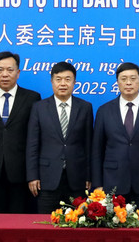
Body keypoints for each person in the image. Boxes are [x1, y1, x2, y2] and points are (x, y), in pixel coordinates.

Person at [91, 62, 139, 214]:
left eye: (133, 78)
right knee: (114, 232)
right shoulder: (104, 111)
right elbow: (96, 150)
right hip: (112, 182)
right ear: (117, 82)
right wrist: (98, 184)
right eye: (123, 78)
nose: (128, 83)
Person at [0, 51, 41, 213]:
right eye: (0, 70)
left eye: (10, 70)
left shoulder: (32, 98)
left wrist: (34, 173)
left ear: (18, 73)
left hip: (21, 173)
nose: (5, 74)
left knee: (19, 223)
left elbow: (36, 137)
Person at [26, 62, 93, 214]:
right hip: (46, 178)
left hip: (77, 178)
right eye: (58, 79)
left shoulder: (85, 107)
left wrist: (89, 175)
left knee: (77, 225)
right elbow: (32, 144)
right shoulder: (39, 107)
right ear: (52, 82)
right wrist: (32, 176)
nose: (63, 83)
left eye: (68, 79)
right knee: (46, 225)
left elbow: (89, 144)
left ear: (74, 82)